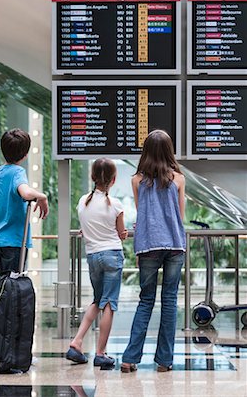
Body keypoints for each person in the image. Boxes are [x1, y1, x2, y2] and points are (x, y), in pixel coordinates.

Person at [121, 129, 186, 373]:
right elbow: (180, 216)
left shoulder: (137, 180)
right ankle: (164, 361)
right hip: (174, 244)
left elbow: (143, 213)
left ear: (146, 151)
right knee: (169, 301)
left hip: (148, 245)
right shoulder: (178, 179)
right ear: (169, 150)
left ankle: (129, 358)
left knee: (145, 301)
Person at [66, 158, 128, 367]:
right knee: (109, 303)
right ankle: (100, 353)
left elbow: (87, 228)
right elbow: (120, 233)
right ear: (113, 179)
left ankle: (77, 341)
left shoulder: (83, 202)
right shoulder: (116, 205)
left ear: (93, 177)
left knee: (97, 300)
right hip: (112, 254)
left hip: (92, 256)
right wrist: (124, 233)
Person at [0, 128, 49, 275]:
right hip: (14, 241)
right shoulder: (17, 172)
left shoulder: (0, 173)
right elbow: (25, 192)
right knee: (13, 288)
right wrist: (42, 196)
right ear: (25, 154)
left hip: (2, 241)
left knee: (5, 285)